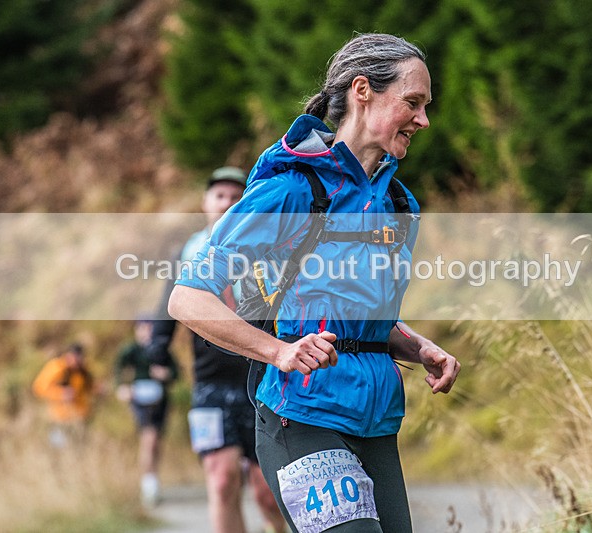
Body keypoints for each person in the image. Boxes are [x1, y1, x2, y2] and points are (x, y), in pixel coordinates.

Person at [167, 33, 461, 533]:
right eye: (412, 103)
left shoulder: (398, 206)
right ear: (363, 91)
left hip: (376, 420)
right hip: (299, 413)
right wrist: (279, 352)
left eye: (426, 106)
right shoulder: (293, 190)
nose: (424, 120)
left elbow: (357, 318)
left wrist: (414, 345)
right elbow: (188, 297)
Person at [150, 166, 287, 532]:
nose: (227, 203)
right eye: (220, 196)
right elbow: (169, 304)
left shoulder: (264, 248)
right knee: (222, 479)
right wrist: (158, 351)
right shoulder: (189, 251)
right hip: (210, 381)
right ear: (206, 203)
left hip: (260, 379)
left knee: (266, 491)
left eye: (235, 197)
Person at [115, 317, 179, 507]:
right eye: (142, 328)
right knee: (148, 439)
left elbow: (175, 373)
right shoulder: (131, 350)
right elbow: (119, 370)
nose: (146, 332)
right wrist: (123, 387)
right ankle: (148, 487)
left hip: (160, 401)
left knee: (155, 442)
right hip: (141, 400)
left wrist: (165, 374)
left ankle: (152, 481)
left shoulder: (162, 350)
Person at [32, 343, 96, 448]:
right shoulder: (57, 367)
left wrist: (98, 389)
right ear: (68, 356)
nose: (77, 361)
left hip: (79, 418)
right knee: (60, 449)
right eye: (75, 358)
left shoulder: (83, 370)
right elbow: (38, 387)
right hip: (60, 418)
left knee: (79, 449)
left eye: (80, 358)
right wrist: (61, 394)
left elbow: (88, 387)